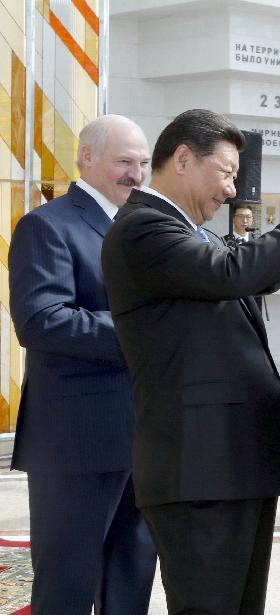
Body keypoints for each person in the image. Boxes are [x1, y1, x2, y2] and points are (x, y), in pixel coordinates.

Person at [101, 109, 280, 612]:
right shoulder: (144, 228)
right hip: (198, 473)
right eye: (227, 173)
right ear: (184, 159)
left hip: (229, 467)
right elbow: (232, 272)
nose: (231, 190)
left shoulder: (187, 232)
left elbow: (250, 276)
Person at [8, 114, 157, 613]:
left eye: (141, 163)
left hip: (143, 439)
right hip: (75, 442)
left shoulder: (139, 227)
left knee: (131, 581)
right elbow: (42, 321)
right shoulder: (46, 225)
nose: (135, 174)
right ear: (86, 158)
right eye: (123, 161)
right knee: (67, 587)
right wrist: (146, 331)